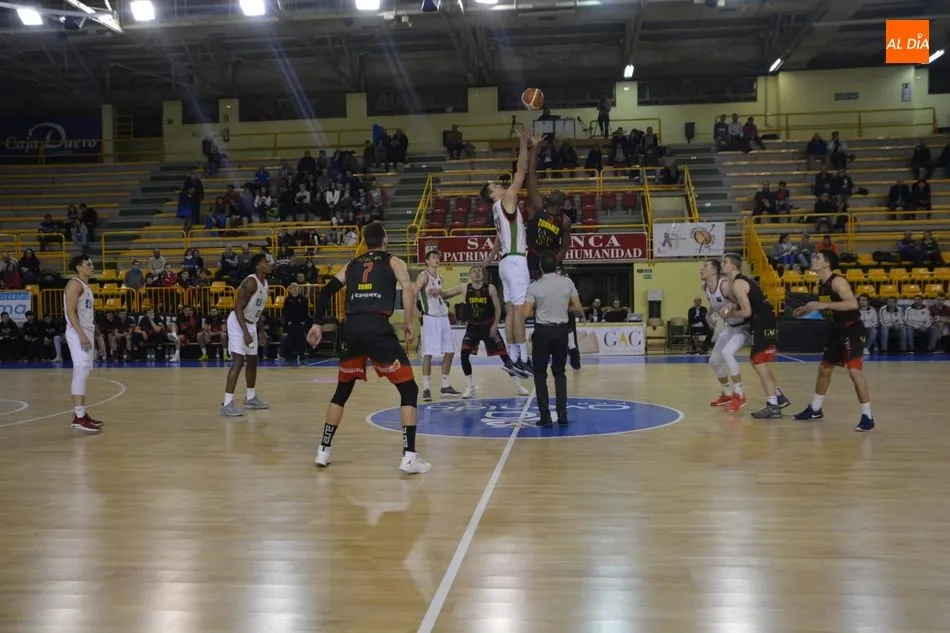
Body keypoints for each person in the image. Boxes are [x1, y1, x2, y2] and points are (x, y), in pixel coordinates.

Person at [307, 222, 430, 474]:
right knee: (408, 388)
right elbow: (407, 287)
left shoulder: (352, 265)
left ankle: (323, 449)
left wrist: (317, 323)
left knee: (342, 390)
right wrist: (408, 320)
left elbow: (326, 292)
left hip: (351, 329)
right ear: (384, 239)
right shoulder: (393, 261)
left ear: (365, 241)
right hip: (376, 327)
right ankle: (409, 456)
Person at [792, 251, 874, 432]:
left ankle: (867, 416)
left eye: (818, 257)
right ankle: (815, 409)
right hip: (836, 330)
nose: (814, 259)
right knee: (824, 369)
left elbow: (852, 304)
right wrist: (806, 309)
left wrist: (825, 305)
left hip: (852, 329)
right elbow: (826, 308)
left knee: (854, 371)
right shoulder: (819, 284)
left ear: (827, 264)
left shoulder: (838, 282)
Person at [702, 258, 789, 412]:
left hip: (745, 326)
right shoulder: (706, 287)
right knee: (715, 360)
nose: (701, 269)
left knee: (731, 354)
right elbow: (715, 301)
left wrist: (731, 307)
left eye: (705, 266)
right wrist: (709, 314)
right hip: (731, 326)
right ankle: (729, 393)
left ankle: (740, 394)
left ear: (714, 271)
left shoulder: (729, 284)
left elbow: (741, 303)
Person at [480, 126, 533, 376]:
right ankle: (523, 358)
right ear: (493, 194)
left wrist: (487, 261)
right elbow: (520, 171)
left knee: (512, 311)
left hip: (504, 263)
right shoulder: (506, 200)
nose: (500, 185)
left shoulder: (495, 211)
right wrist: (524, 143)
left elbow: (498, 242)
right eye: (495, 185)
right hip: (515, 262)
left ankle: (512, 360)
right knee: (519, 312)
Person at [524, 251, 584, 427]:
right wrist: (563, 306)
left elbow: (526, 313)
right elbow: (578, 307)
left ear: (541, 267)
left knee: (540, 374)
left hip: (542, 332)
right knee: (559, 373)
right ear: (556, 266)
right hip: (561, 332)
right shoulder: (567, 282)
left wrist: (539, 310)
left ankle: (545, 417)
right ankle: (562, 414)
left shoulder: (535, 286)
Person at [459, 264, 528, 399]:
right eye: (474, 271)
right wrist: (437, 292)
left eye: (479, 271)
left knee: (504, 357)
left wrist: (495, 325)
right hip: (472, 328)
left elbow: (498, 308)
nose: (477, 273)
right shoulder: (464, 288)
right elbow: (447, 293)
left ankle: (518, 385)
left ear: (483, 274)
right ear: (470, 275)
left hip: (488, 326)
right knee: (463, 355)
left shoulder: (490, 288)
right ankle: (469, 386)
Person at [221, 253, 272, 416]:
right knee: (238, 360)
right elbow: (238, 308)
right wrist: (245, 333)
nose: (269, 263)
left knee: (252, 360)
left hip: (251, 323)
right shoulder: (251, 282)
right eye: (265, 262)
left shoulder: (265, 283)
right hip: (238, 322)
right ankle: (227, 403)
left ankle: (250, 397)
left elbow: (258, 310)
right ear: (258, 266)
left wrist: (261, 330)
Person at [414, 250, 461, 401]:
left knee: (450, 351)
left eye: (438, 257)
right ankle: (426, 388)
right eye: (433, 257)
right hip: (430, 318)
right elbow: (412, 292)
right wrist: (415, 310)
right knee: (428, 354)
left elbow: (443, 295)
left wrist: (459, 290)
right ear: (427, 261)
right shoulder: (423, 276)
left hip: (443, 317)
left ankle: (445, 385)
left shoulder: (440, 277)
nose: (436, 259)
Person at [63, 255, 102, 433]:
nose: (92, 267)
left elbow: (86, 313)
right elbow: (71, 313)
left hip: (87, 330)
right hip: (77, 331)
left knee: (85, 371)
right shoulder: (74, 284)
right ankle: (79, 417)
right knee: (80, 370)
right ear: (78, 267)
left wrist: (94, 333)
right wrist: (81, 335)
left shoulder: (85, 286)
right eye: (88, 264)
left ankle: (82, 414)